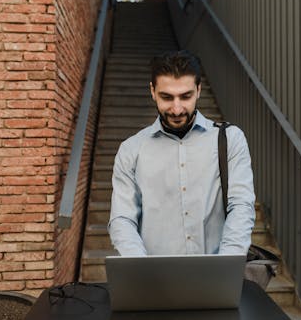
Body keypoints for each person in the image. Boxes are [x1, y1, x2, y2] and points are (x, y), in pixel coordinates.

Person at [108, 50, 255, 256]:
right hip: (154, 280)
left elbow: (241, 205)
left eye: (185, 96)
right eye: (166, 97)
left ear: (198, 90)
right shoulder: (131, 150)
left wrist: (226, 266)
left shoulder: (230, 139)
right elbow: (122, 219)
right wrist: (141, 269)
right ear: (152, 91)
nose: (176, 109)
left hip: (217, 278)